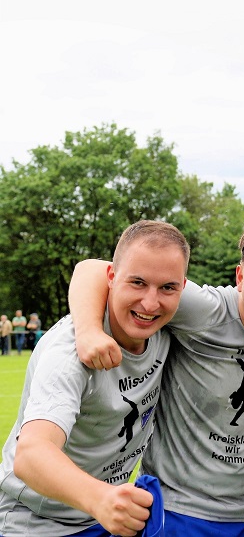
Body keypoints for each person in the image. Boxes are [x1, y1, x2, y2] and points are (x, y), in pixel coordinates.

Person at [68, 219, 244, 536]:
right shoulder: (207, 311)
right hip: (178, 512)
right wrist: (89, 331)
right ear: (241, 277)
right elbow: (93, 269)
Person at [0, 220, 189, 536]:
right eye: (137, 283)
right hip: (35, 521)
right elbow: (31, 454)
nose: (150, 302)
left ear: (182, 287)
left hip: (102, 518)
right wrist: (101, 498)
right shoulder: (68, 353)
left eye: (167, 288)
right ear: (111, 278)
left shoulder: (169, 324)